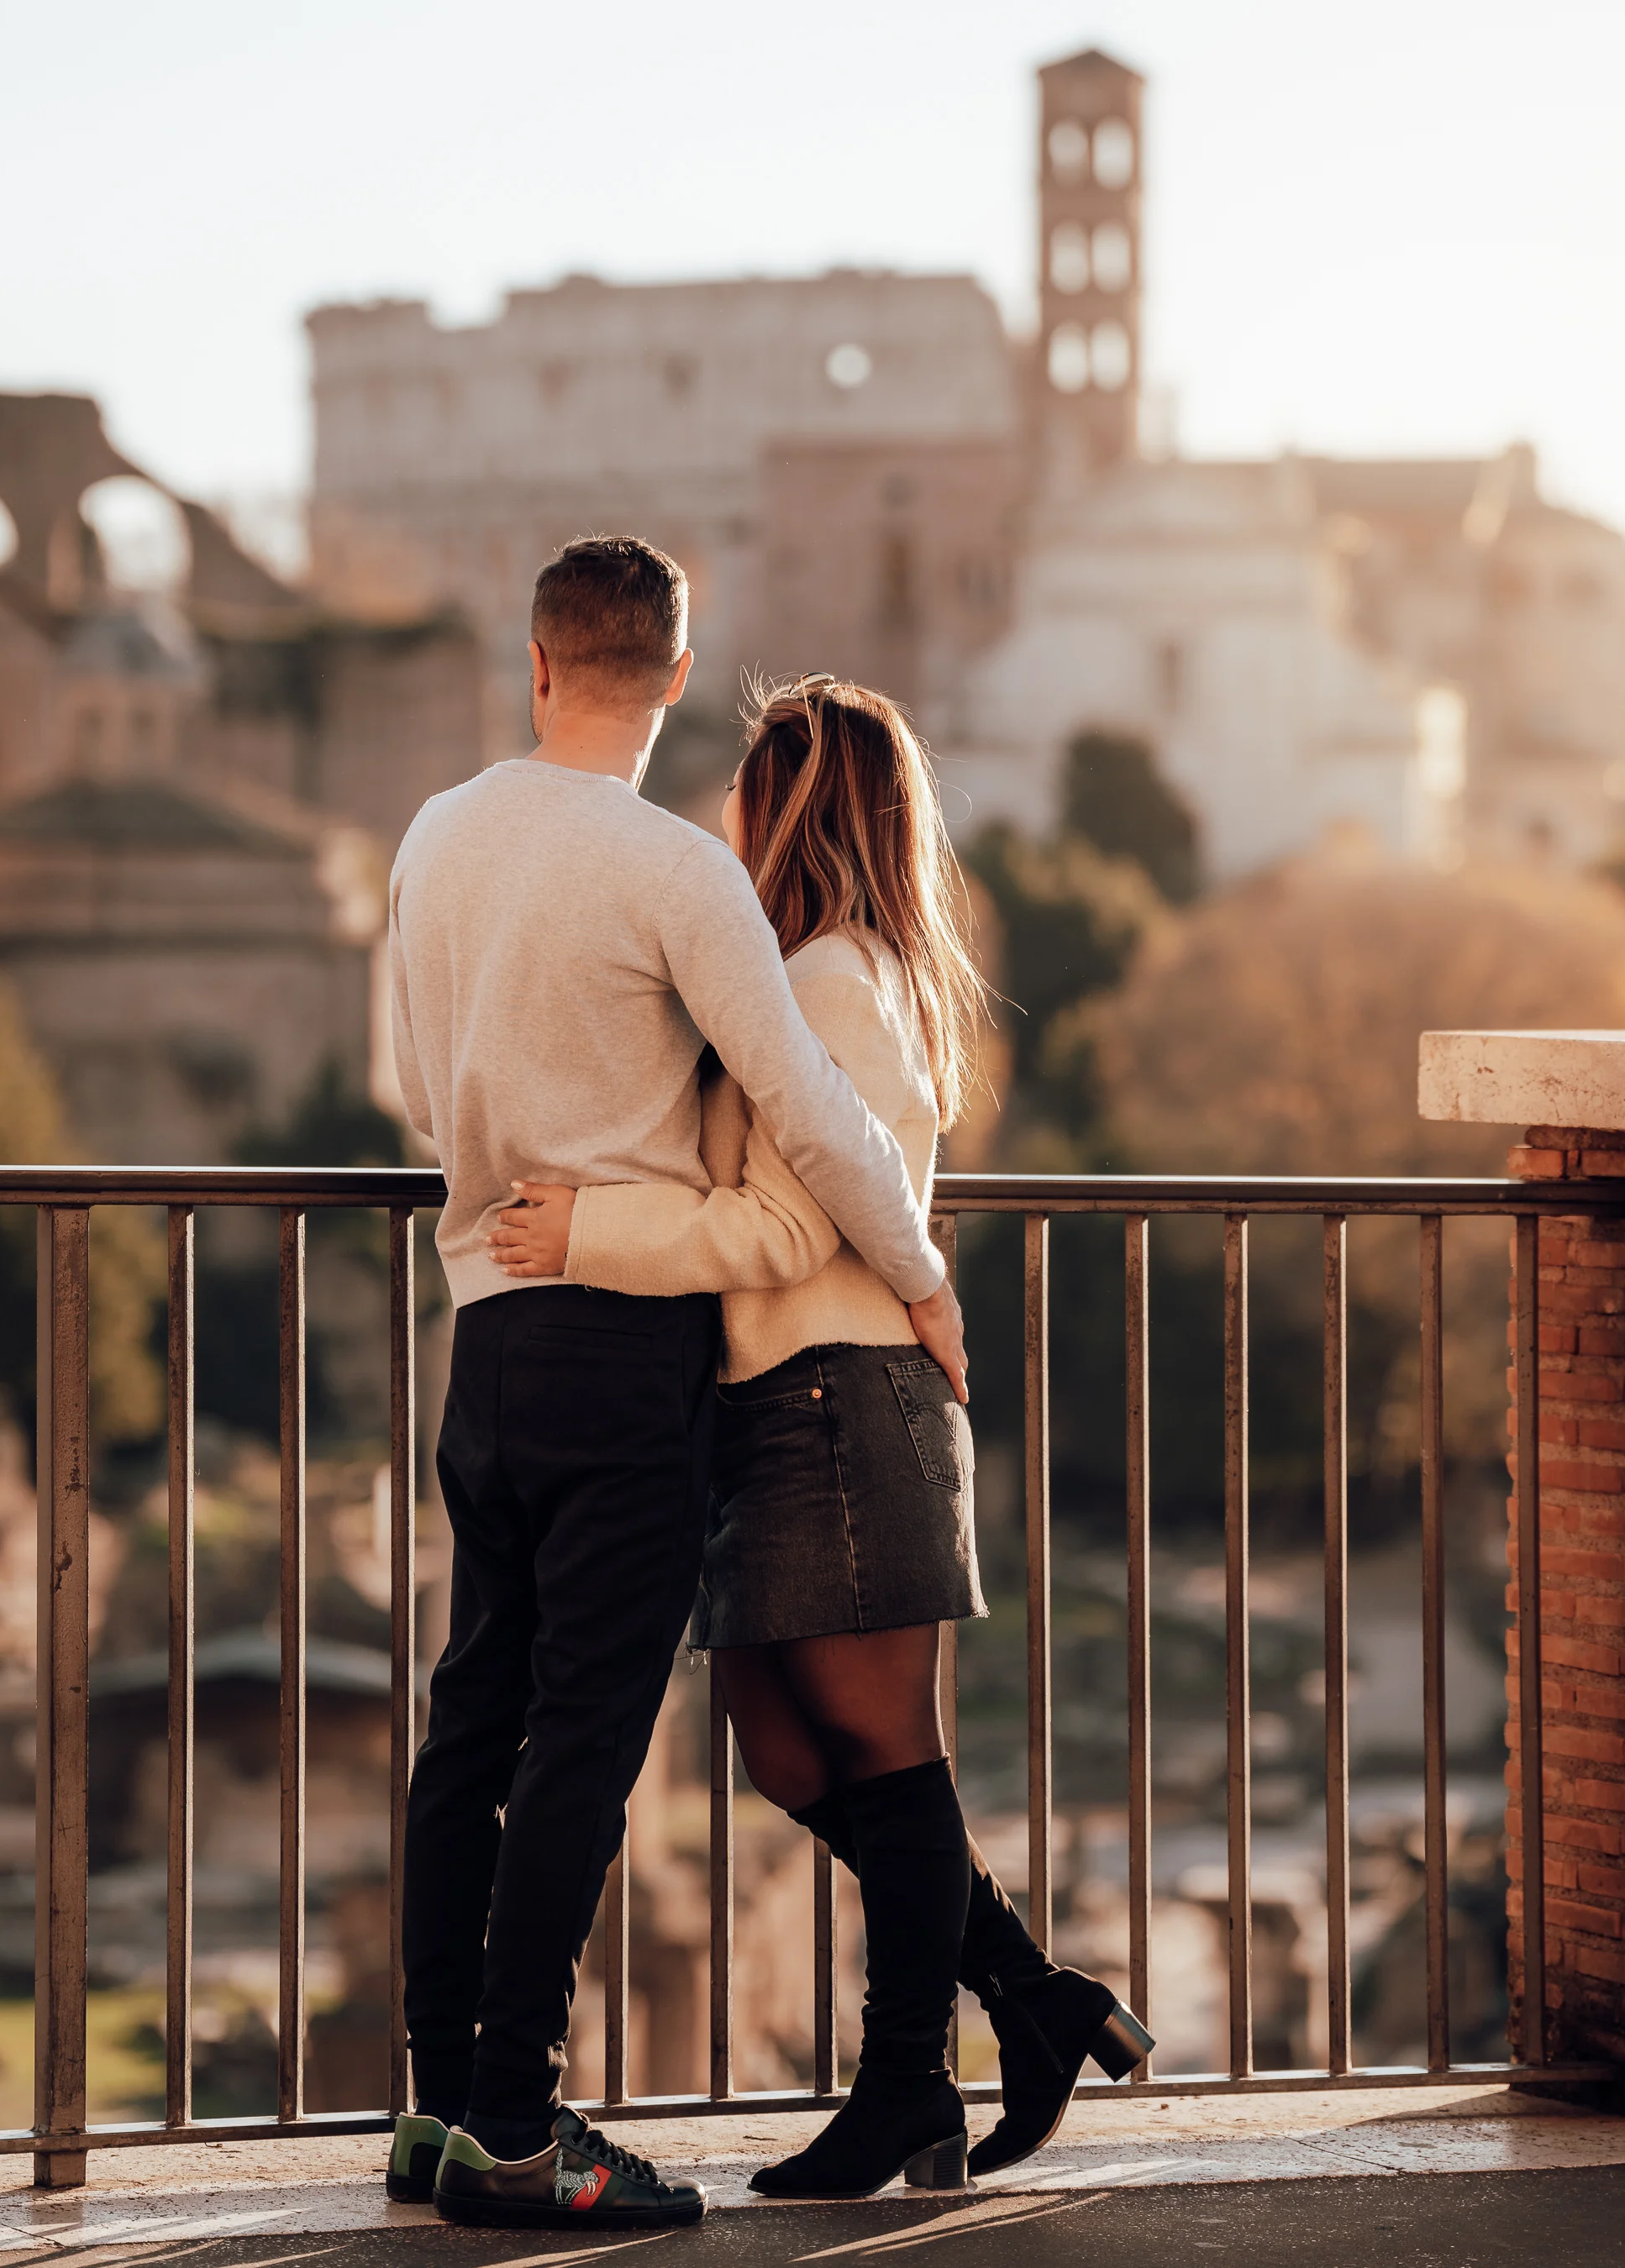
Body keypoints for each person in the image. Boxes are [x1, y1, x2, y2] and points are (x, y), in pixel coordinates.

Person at [488, 675, 1152, 2200]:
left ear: (792, 805)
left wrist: (590, 1230)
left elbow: (786, 1230)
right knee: (789, 1751)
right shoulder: (803, 974)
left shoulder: (838, 983)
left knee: (885, 1759)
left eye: (747, 783)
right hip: (785, 1412)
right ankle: (1038, 2003)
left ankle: (908, 2086)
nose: (723, 808)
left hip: (841, 1400)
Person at [385, 541, 968, 2234]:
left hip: (484, 1329)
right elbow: (807, 1109)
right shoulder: (676, 873)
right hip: (624, 1348)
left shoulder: (433, 836)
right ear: (675, 669)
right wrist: (922, 1279)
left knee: (471, 1717)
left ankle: (438, 2109)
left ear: (542, 662)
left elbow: (421, 1085)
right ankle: (517, 2121)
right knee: (583, 1736)